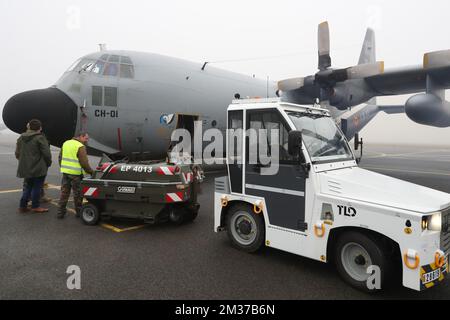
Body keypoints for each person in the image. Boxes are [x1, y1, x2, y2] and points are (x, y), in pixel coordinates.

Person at [15, 119, 52, 213]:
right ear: (40, 128)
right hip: (38, 168)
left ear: (29, 127)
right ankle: (35, 206)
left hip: (26, 168)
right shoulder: (40, 138)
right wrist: (48, 163)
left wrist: (23, 162)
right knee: (37, 187)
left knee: (28, 187)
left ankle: (22, 206)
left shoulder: (21, 137)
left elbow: (17, 153)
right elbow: (47, 153)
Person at [57, 132, 94, 219]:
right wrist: (91, 172)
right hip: (76, 175)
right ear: (81, 137)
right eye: (86, 138)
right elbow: (84, 163)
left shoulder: (66, 143)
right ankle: (78, 212)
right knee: (78, 194)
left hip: (65, 173)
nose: (87, 140)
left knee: (64, 193)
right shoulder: (80, 146)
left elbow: (60, 157)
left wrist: (64, 168)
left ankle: (60, 212)